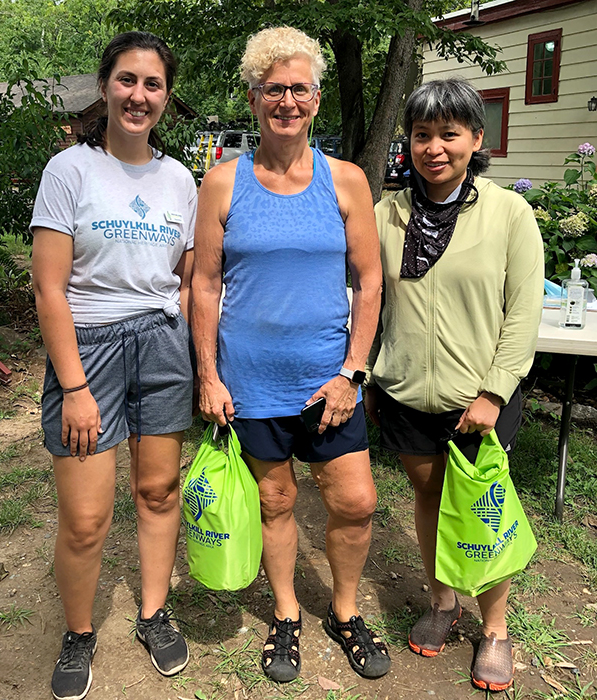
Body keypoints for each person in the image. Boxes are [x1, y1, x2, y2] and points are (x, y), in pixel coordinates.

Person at [192, 26, 390, 683]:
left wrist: (351, 373)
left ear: (316, 97)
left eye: (298, 89)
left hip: (327, 381)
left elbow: (369, 280)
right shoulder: (222, 183)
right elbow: (206, 283)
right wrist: (210, 376)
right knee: (275, 501)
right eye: (272, 89)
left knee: (356, 501)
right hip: (249, 383)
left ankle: (344, 610)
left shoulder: (347, 181)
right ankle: (285, 616)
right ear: (252, 99)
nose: (286, 101)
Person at [31, 31, 196, 700]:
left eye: (153, 84)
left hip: (161, 346)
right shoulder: (69, 170)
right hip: (89, 351)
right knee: (87, 520)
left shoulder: (181, 179)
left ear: (165, 96)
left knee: (157, 493)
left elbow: (186, 276)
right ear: (105, 87)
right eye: (127, 80)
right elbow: (48, 288)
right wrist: (73, 385)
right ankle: (79, 633)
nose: (139, 95)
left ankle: (153, 613)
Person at [365, 78, 544, 692]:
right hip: (405, 390)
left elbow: (523, 313)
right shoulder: (387, 213)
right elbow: (367, 298)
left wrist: (494, 392)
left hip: (481, 397)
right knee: (428, 495)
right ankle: (444, 602)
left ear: (475, 139)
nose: (433, 147)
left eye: (449, 133)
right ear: (408, 142)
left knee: (480, 507)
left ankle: (493, 627)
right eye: (421, 134)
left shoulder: (509, 212)